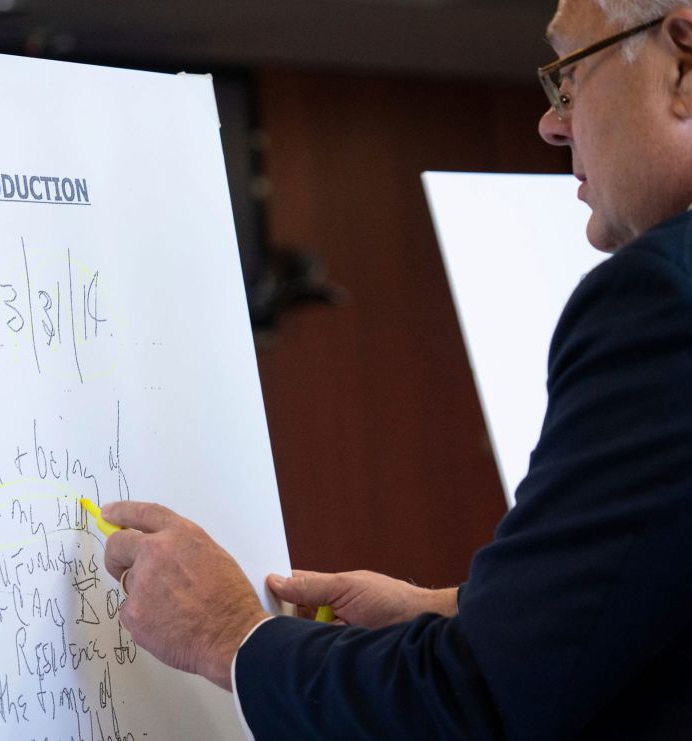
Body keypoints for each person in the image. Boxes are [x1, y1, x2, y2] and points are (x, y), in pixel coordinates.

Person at [102, 0, 692, 737]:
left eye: (570, 76)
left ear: (683, 65)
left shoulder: (663, 295)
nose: (553, 121)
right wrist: (458, 612)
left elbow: (480, 700)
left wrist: (229, 634)